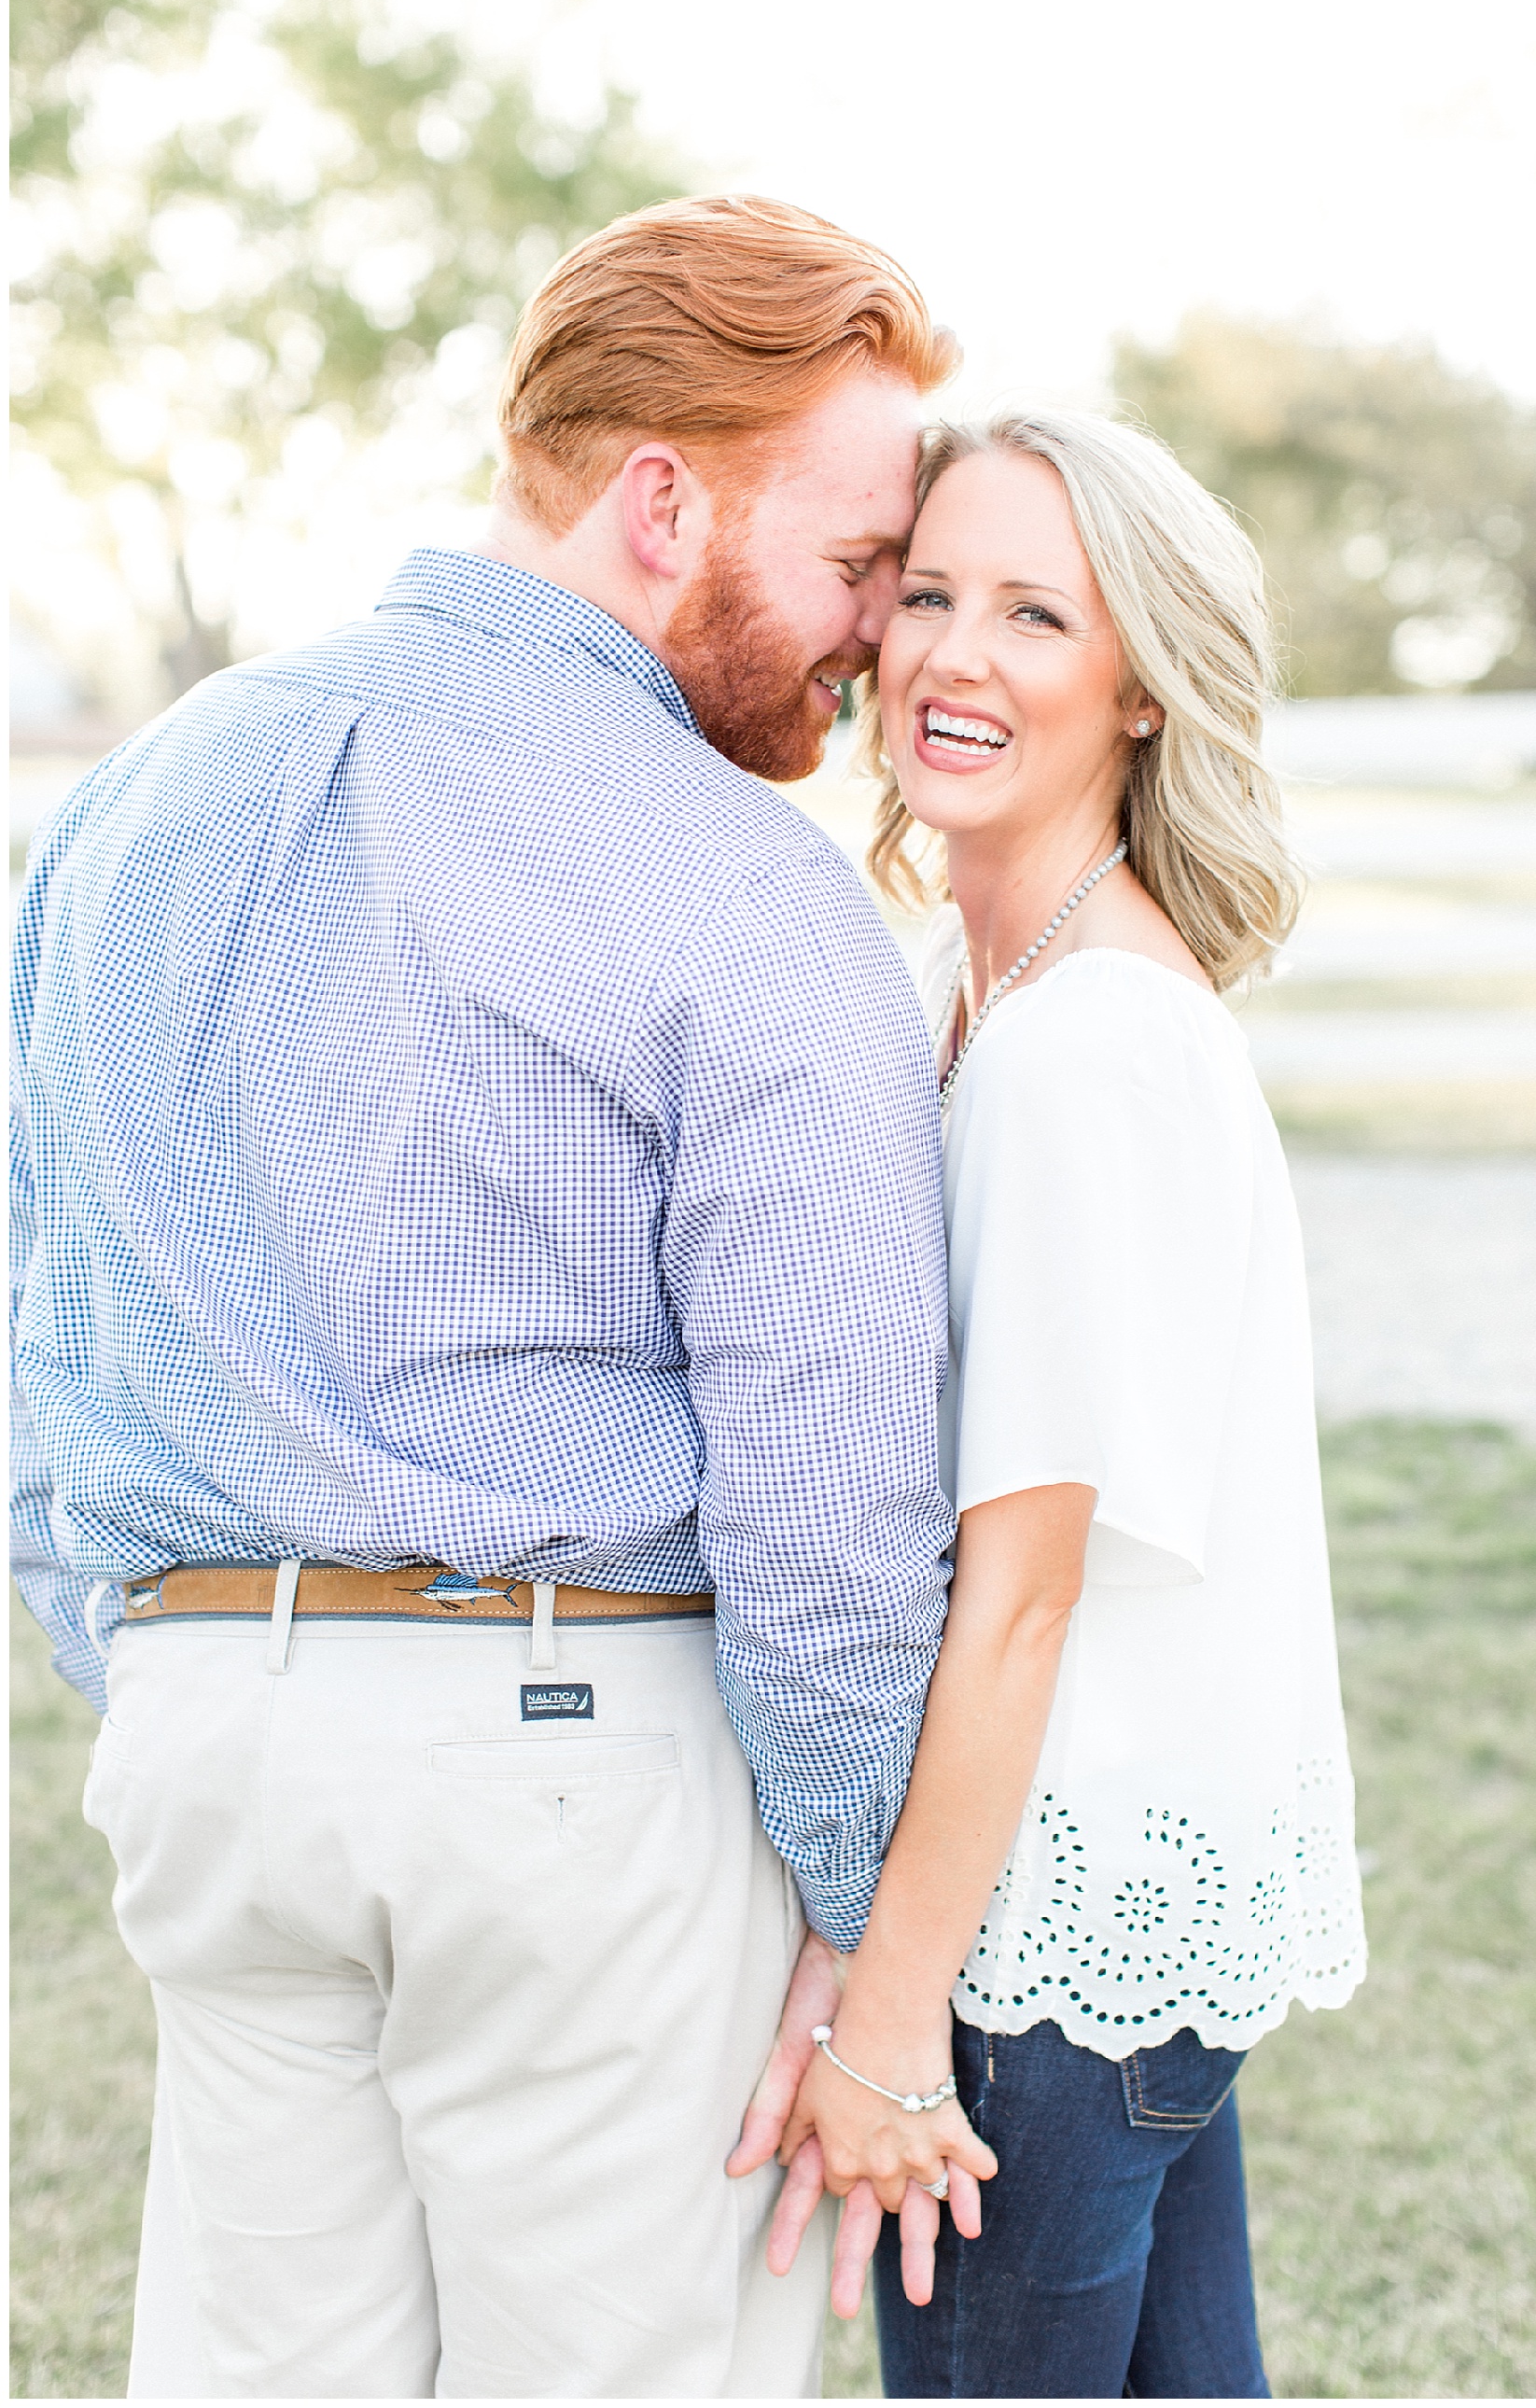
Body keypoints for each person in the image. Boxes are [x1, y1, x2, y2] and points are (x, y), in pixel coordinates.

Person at [9, 195, 963, 2399]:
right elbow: (825, 1496)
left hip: (207, 1745)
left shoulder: (131, 806)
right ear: (665, 503)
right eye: (855, 560)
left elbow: (42, 1328)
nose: (874, 632)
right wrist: (858, 1912)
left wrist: (165, 1672)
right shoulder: (742, 884)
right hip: (573, 1759)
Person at [758, 410, 1369, 2396]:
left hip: (1041, 1953)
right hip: (1127, 1928)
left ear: (1141, 685)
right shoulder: (984, 984)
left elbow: (1021, 1594)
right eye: (930, 592)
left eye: (1036, 612)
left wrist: (889, 2015)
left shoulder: (1076, 1049)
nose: (955, 653)